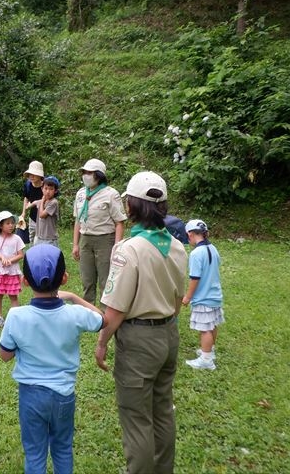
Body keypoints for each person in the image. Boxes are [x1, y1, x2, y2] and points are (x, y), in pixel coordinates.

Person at [95, 171, 187, 474]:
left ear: (132, 207)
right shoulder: (177, 247)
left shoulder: (128, 250)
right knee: (162, 409)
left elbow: (116, 310)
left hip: (138, 342)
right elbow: (177, 302)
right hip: (168, 335)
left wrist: (101, 342)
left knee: (136, 419)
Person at [0, 244, 105, 474]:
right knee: (63, 448)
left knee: (35, 452)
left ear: (25, 281)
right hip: (64, 395)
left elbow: (5, 356)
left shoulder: (16, 316)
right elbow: (101, 319)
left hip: (31, 395)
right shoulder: (74, 314)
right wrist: (75, 298)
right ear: (64, 278)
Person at [72, 159, 126, 310]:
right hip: (86, 240)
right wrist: (76, 244)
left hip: (105, 240)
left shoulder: (111, 194)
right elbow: (78, 219)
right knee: (87, 278)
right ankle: (88, 310)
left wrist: (116, 247)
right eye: (84, 172)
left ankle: (104, 312)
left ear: (99, 175)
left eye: (89, 173)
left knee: (105, 278)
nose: (86, 176)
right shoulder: (81, 193)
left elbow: (119, 222)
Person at [182, 219, 224, 371]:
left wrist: (188, 297)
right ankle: (209, 350)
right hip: (215, 295)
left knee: (205, 328)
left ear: (191, 234)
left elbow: (195, 278)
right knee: (212, 324)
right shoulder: (213, 248)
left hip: (203, 297)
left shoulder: (196, 254)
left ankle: (206, 360)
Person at [0, 211, 25, 328]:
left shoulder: (17, 238)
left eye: (12, 223)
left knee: (13, 295)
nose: (11, 226)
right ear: (0, 226)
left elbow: (20, 255)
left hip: (12, 272)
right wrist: (1, 257)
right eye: (7, 223)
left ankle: (16, 317)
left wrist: (11, 260)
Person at [32, 176, 60, 247]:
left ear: (55, 191)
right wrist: (27, 206)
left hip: (49, 239)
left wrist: (42, 201)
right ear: (42, 189)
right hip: (38, 237)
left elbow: (42, 215)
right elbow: (34, 202)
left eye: (51, 189)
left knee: (50, 257)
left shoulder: (53, 202)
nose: (47, 191)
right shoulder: (42, 201)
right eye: (46, 188)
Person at [21, 160, 45, 244]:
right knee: (32, 236)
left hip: (44, 216)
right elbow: (26, 198)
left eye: (34, 174)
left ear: (40, 175)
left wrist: (34, 203)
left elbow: (50, 199)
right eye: (30, 174)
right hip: (32, 216)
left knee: (42, 237)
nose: (31, 176)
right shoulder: (28, 185)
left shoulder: (46, 185)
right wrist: (23, 212)